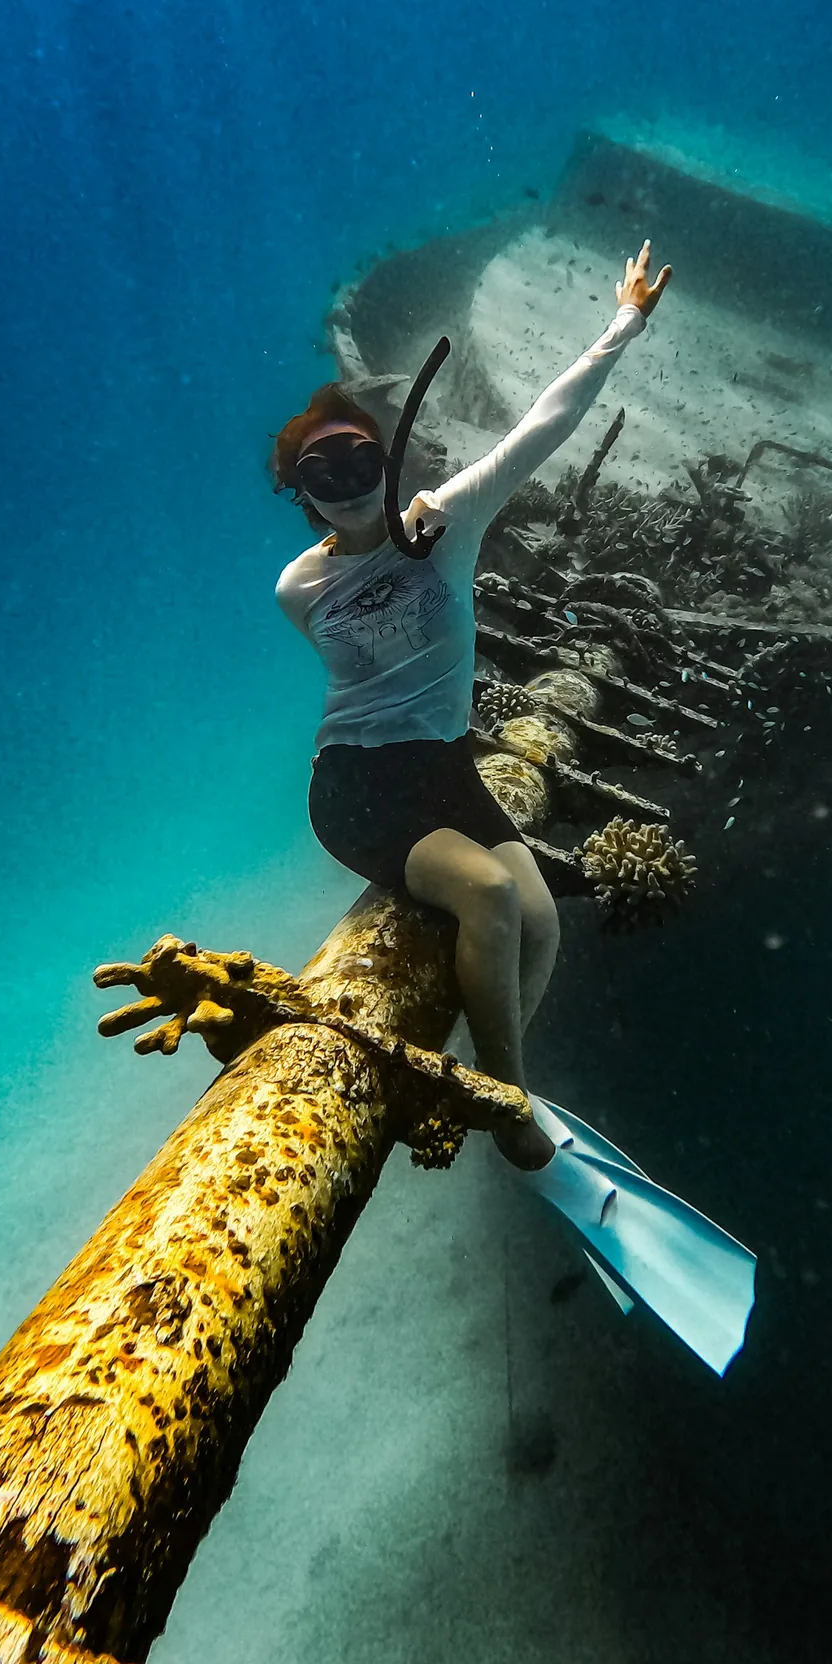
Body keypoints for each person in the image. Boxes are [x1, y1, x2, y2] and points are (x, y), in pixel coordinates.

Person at [272, 242, 672, 1170]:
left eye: (358, 459)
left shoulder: (446, 520)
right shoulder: (297, 587)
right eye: (322, 477)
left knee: (545, 917)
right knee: (490, 894)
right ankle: (509, 1109)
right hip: (358, 786)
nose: (348, 483)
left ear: (387, 454)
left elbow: (542, 425)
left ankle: (489, 1073)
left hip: (446, 764)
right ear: (303, 498)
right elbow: (366, 691)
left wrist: (625, 321)